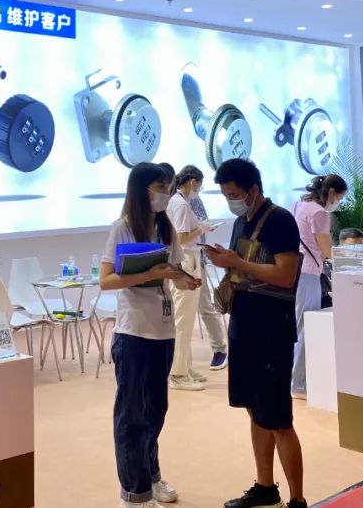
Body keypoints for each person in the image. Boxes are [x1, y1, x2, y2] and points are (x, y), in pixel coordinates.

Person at [205, 159, 307, 508]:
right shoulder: (240, 222)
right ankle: (265, 488)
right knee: (254, 409)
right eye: (225, 195)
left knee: (278, 418)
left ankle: (297, 499)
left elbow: (285, 275)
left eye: (234, 194)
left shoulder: (280, 220)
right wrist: (227, 261)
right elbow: (244, 268)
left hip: (271, 330)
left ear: (253, 191)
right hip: (243, 325)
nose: (230, 201)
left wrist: (237, 262)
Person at [99, 162, 195, 508]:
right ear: (143, 190)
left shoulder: (166, 228)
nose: (165, 194)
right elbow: (106, 280)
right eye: (160, 188)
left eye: (168, 187)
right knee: (132, 414)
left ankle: (151, 477)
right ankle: (134, 492)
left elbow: (174, 273)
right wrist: (147, 275)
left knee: (156, 410)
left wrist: (184, 279)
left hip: (163, 331)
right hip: (133, 331)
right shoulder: (122, 228)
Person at [166, 165, 224, 390]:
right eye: (199, 185)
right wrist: (201, 229)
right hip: (187, 260)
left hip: (188, 259)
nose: (198, 189)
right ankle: (178, 373)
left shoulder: (177, 201)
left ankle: (185, 367)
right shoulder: (180, 204)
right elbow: (182, 237)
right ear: (192, 182)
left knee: (186, 319)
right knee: (183, 321)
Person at [290, 175, 347, 399]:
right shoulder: (320, 213)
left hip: (295, 270)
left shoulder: (300, 205)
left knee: (298, 326)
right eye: (339, 198)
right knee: (306, 327)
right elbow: (326, 250)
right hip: (308, 273)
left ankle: (295, 379)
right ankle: (298, 383)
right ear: (331, 193)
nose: (338, 203)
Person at [183, 170, 230, 372]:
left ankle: (220, 349)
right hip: (176, 261)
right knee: (179, 312)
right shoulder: (174, 200)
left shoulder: (193, 200)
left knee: (204, 305)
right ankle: (181, 359)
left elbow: (202, 224)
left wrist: (202, 229)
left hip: (195, 258)